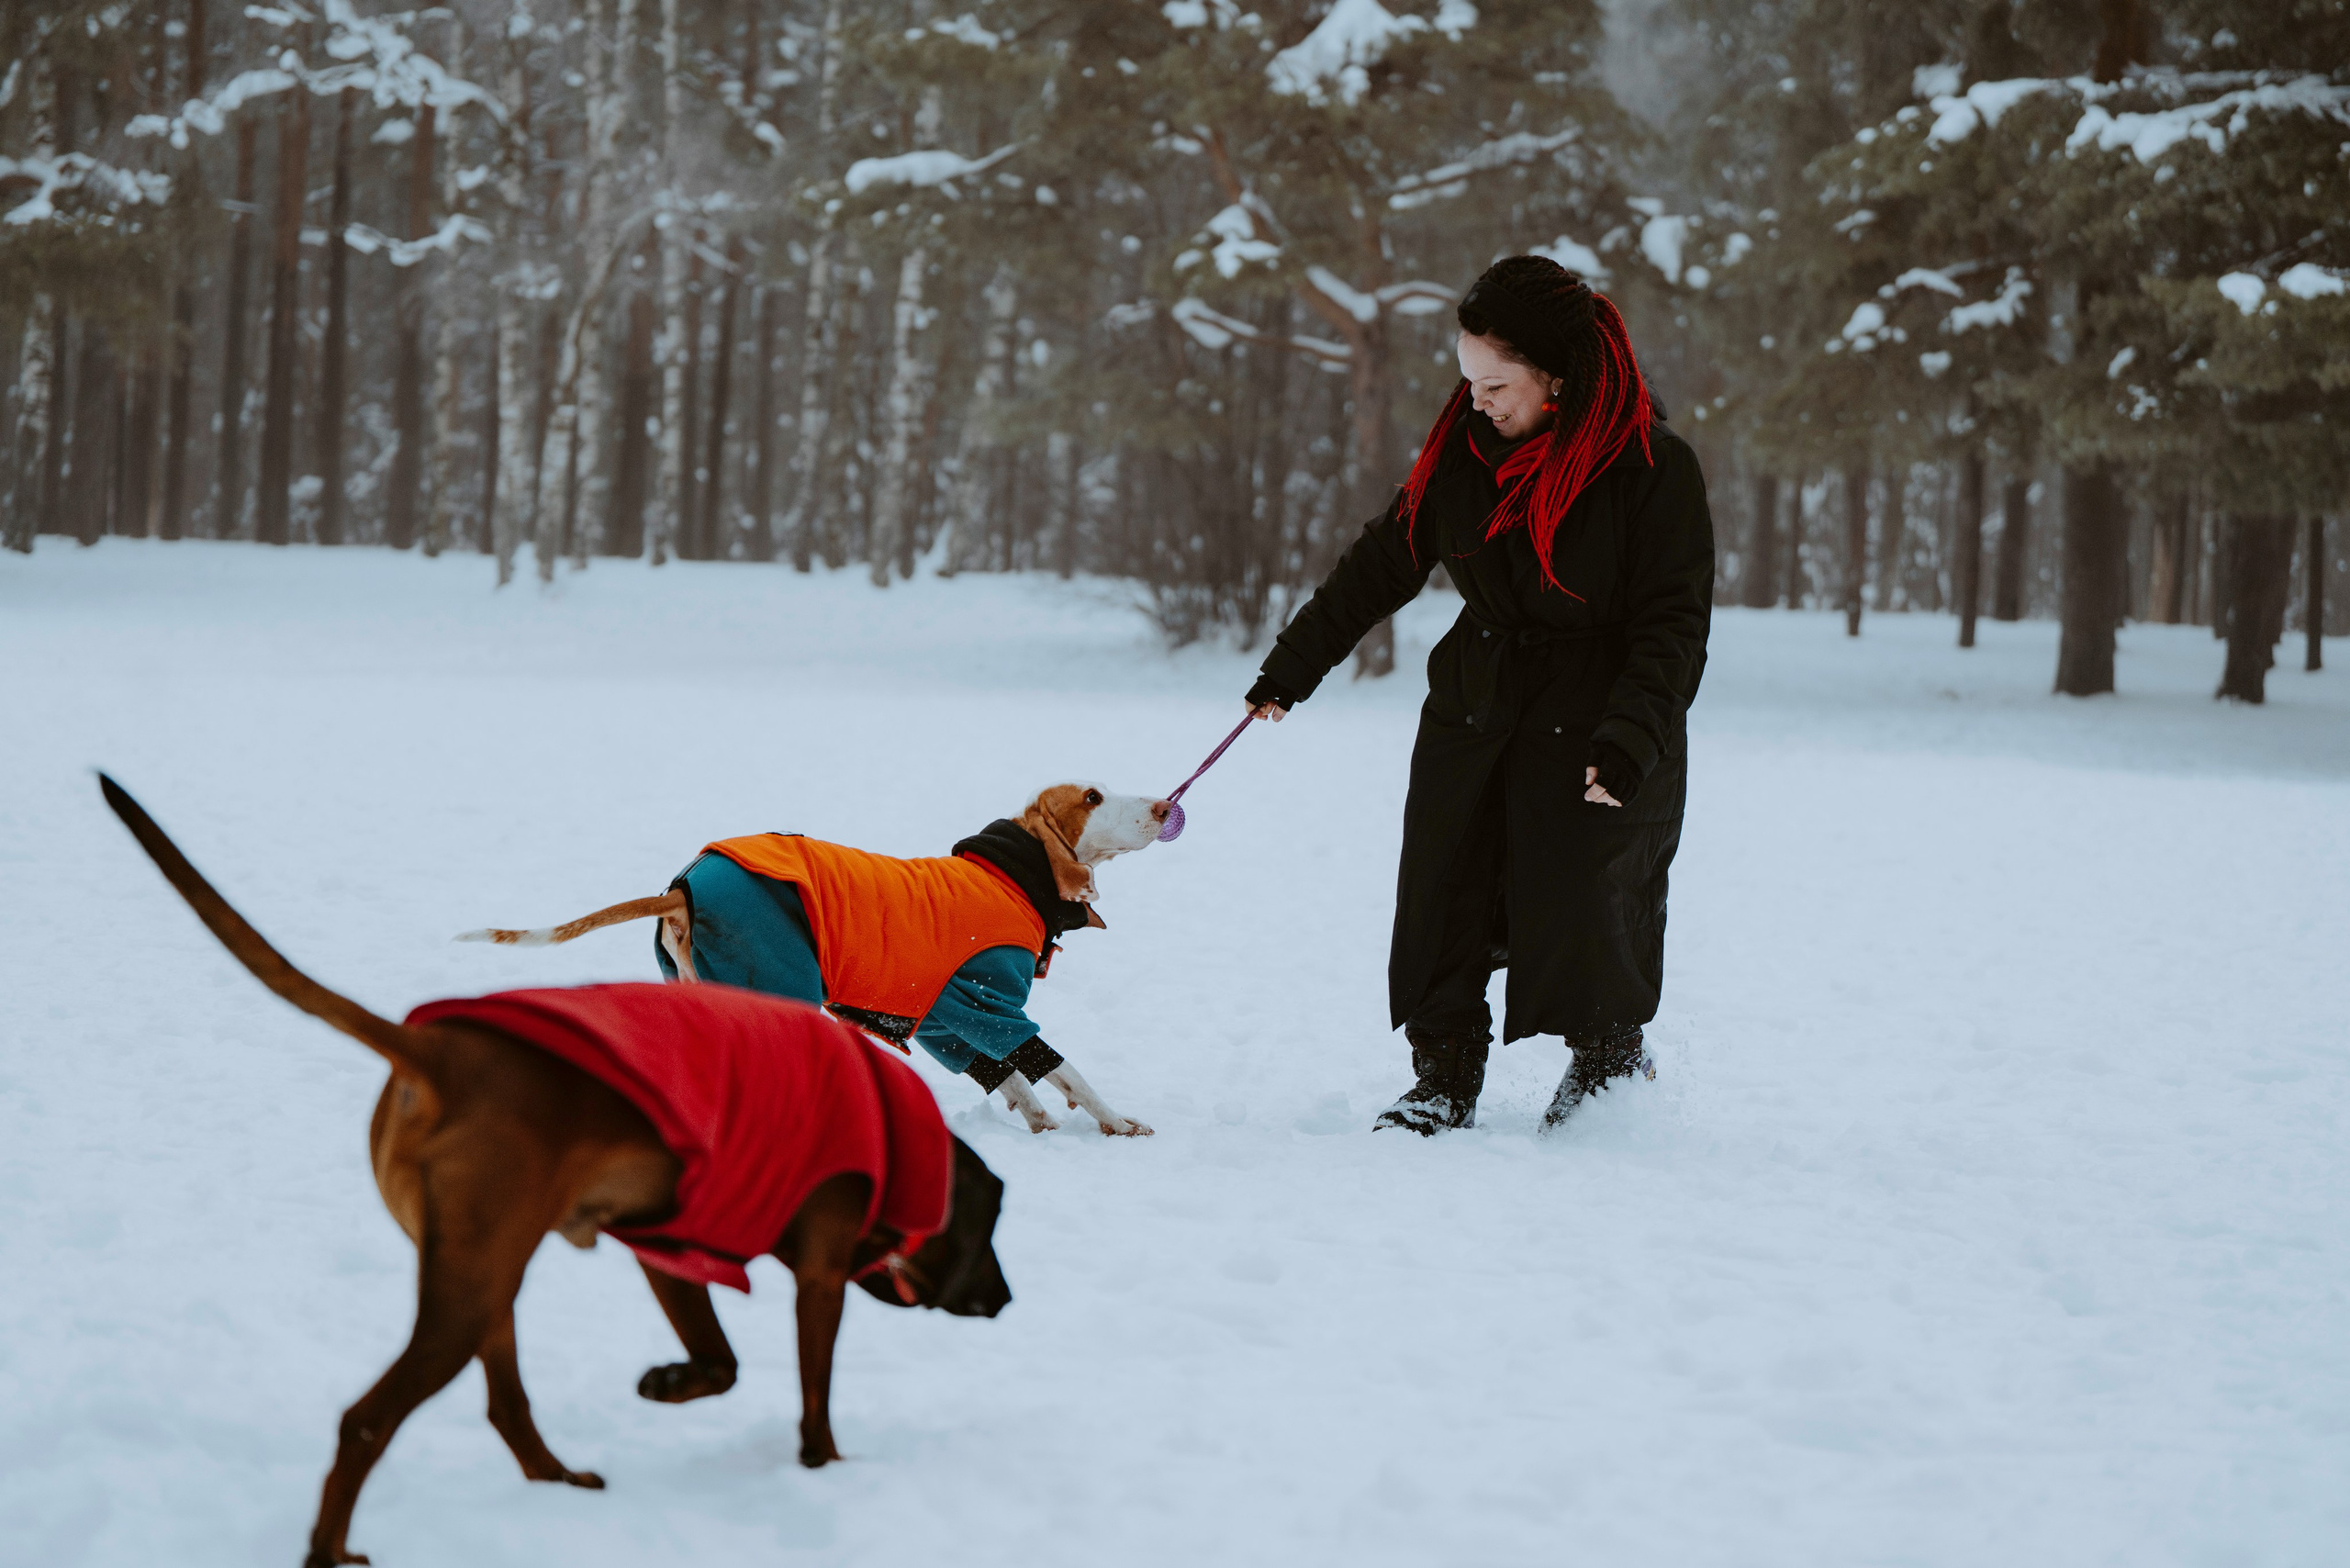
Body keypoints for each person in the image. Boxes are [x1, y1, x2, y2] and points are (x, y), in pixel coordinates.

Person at [1242, 256, 1714, 1135]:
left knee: (1589, 892)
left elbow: (1673, 625)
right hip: (1476, 700)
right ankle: (1443, 1074)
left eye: (1497, 384)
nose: (1478, 401)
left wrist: (1633, 737)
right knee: (1444, 885)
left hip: (1597, 714)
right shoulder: (1460, 455)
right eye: (1467, 381)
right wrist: (1292, 668)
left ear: (1560, 381)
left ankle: (1607, 1065)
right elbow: (1384, 560)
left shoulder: (1652, 469)